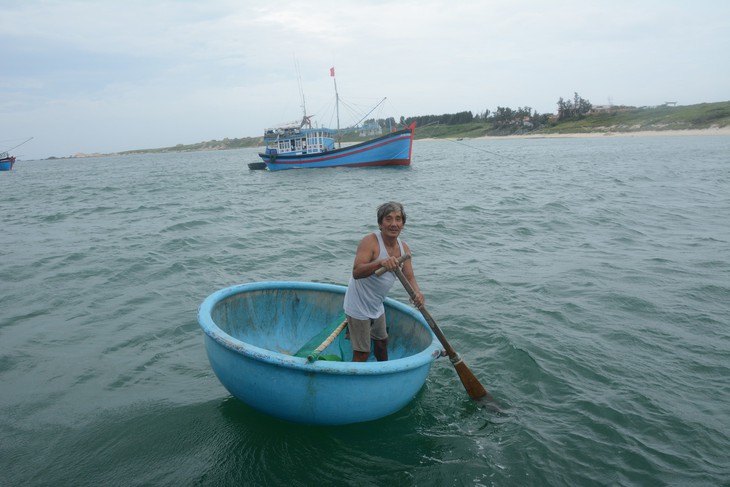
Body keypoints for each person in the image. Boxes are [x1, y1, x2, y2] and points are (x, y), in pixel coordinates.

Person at [343, 201, 425, 362]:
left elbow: (409, 277)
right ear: (380, 224)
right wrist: (380, 263)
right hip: (358, 306)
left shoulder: (404, 248)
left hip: (376, 305)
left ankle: (385, 373)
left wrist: (417, 293)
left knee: (381, 343)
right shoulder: (370, 242)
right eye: (388, 219)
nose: (393, 224)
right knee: (362, 353)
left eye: (398, 219)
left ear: (403, 224)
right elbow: (357, 272)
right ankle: (355, 384)